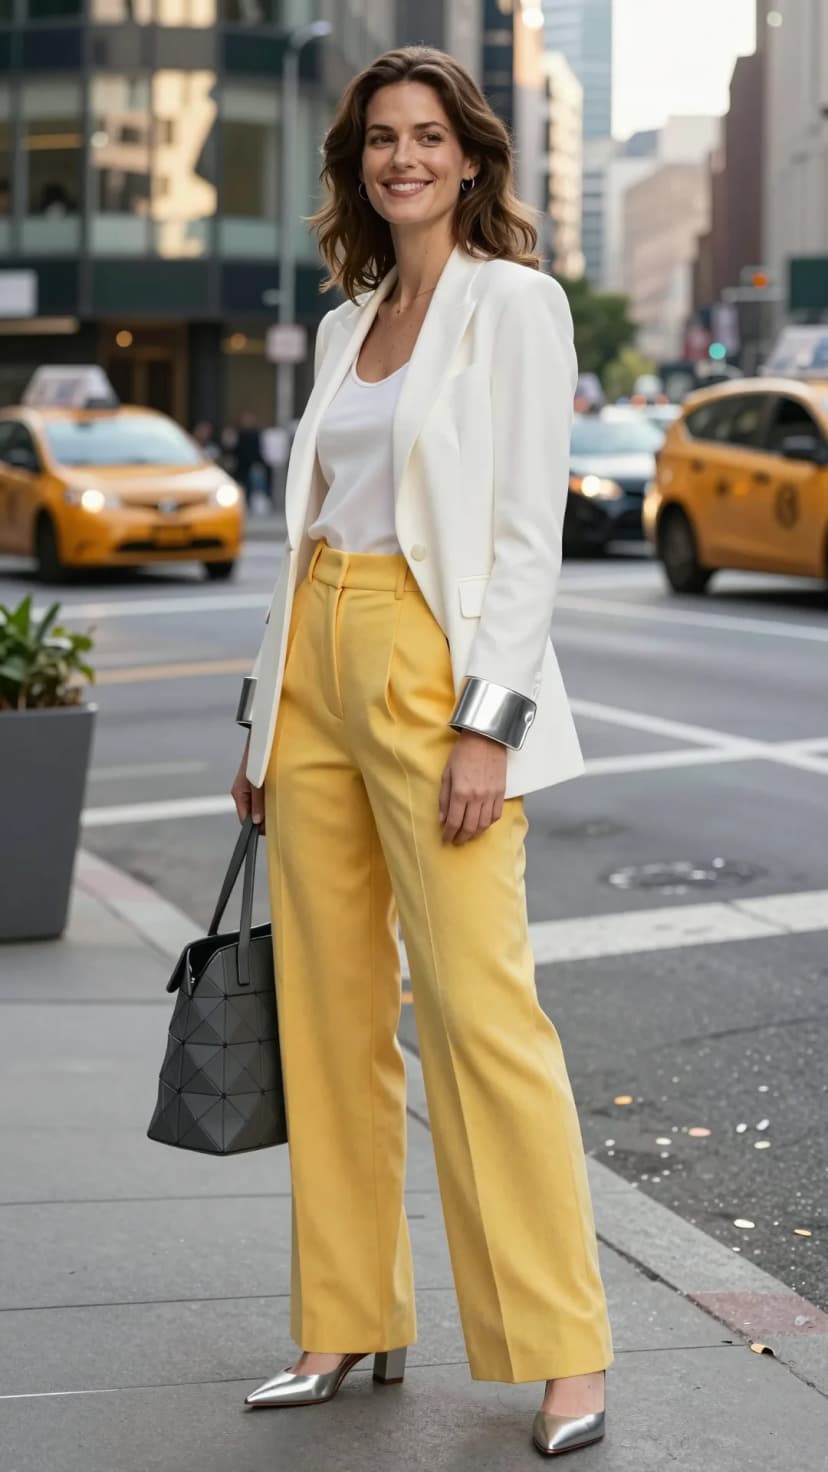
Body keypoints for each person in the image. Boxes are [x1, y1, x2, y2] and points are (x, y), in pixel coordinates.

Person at [230, 45, 613, 1459]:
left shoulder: (516, 305)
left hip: (431, 668)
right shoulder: (346, 325)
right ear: (360, 164)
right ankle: (346, 1319)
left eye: (427, 137)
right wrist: (262, 719)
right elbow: (307, 538)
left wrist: (487, 728)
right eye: (382, 137)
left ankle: (565, 1351)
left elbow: (524, 537)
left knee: (478, 1012)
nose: (403, 158)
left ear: (469, 159)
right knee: (328, 1014)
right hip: (318, 664)